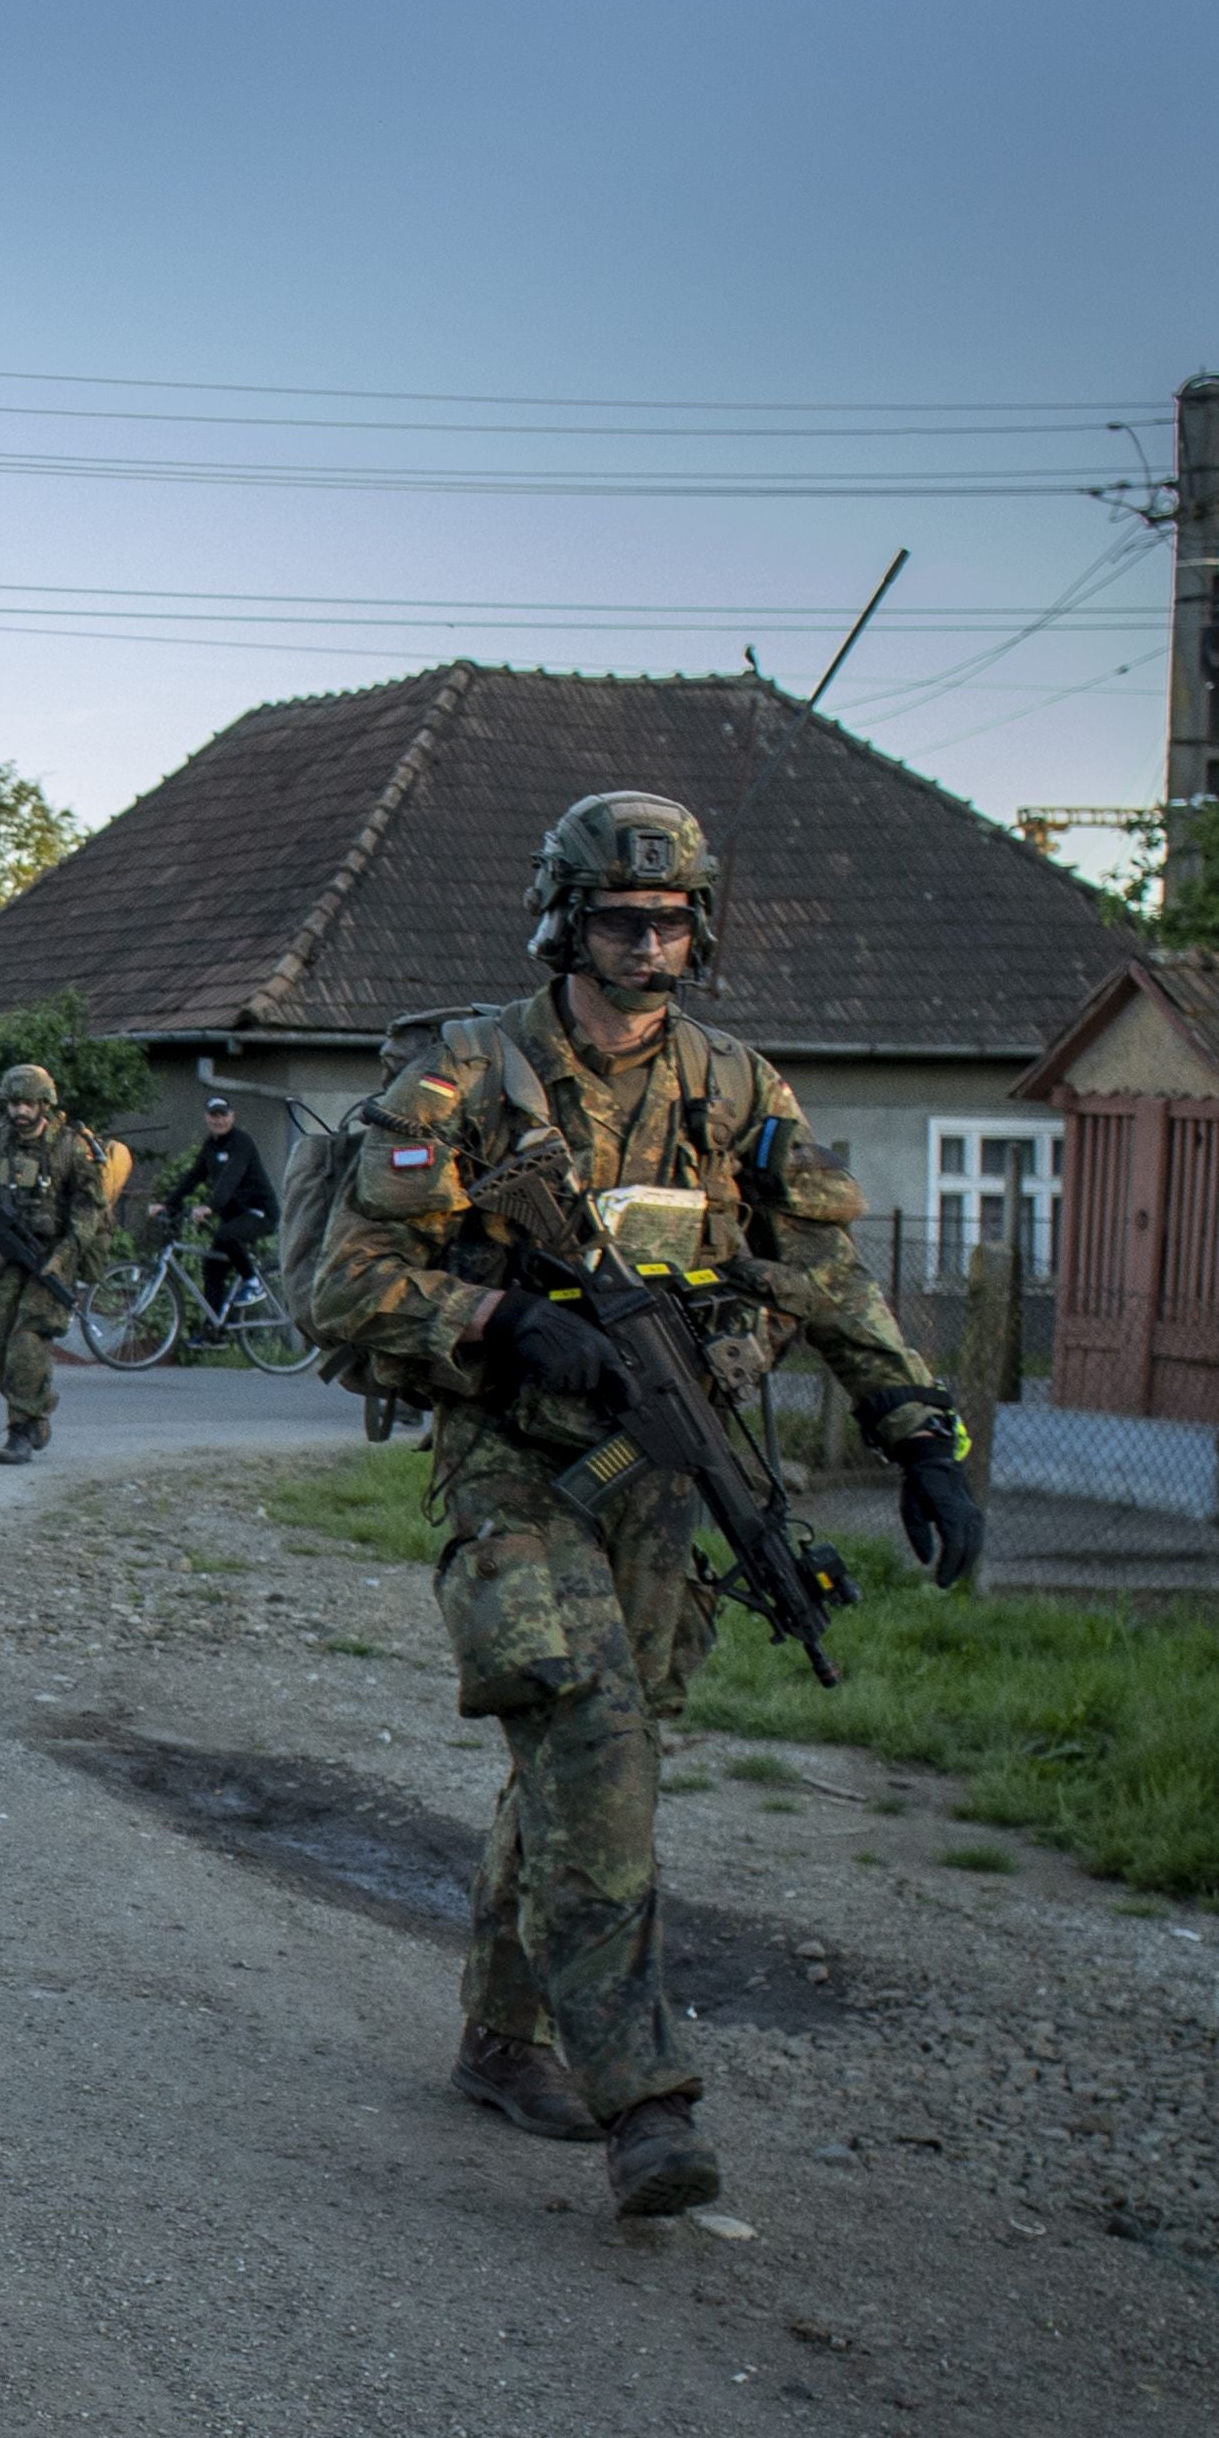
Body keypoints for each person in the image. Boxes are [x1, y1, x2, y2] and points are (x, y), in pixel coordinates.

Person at [307, 792, 981, 2219]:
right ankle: (645, 2100)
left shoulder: (734, 1088)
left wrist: (916, 1424)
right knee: (595, 1742)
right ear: (564, 917)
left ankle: (503, 2039)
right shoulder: (461, 1078)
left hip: (665, 1468)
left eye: (672, 919)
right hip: (511, 1462)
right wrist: (499, 1317)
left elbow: (818, 1271)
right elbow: (341, 1283)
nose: (649, 944)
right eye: (622, 918)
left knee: (574, 1761)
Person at [0, 1061, 111, 1464]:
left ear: (45, 1103)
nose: (19, 1111)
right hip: (9, 1258)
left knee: (27, 1341)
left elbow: (88, 1212)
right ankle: (36, 1405)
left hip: (55, 1257)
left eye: (27, 1103)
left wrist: (62, 1258)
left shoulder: (70, 1147)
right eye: (13, 1103)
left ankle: (20, 1431)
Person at [156, 1095, 279, 1319]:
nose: (218, 1120)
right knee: (211, 1268)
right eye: (214, 1115)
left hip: (259, 1212)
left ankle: (253, 1282)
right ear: (206, 1118)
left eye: (223, 1115)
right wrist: (168, 1205)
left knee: (226, 1235)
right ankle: (213, 1331)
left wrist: (210, 1207)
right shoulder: (210, 1147)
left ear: (232, 1116)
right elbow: (193, 1178)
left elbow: (230, 1178)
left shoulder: (241, 1142)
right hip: (234, 1217)